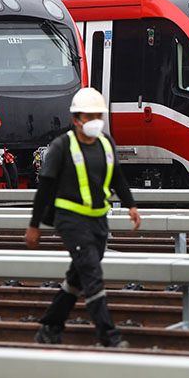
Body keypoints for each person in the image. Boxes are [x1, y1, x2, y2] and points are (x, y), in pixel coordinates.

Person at [23, 87, 141, 348]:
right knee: (92, 274)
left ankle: (50, 327)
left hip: (99, 220)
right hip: (70, 221)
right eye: (90, 116)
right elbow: (45, 189)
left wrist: (131, 205)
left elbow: (118, 177)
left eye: (99, 115)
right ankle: (109, 336)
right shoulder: (61, 147)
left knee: (77, 277)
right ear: (76, 119)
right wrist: (34, 226)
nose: (95, 121)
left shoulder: (106, 143)